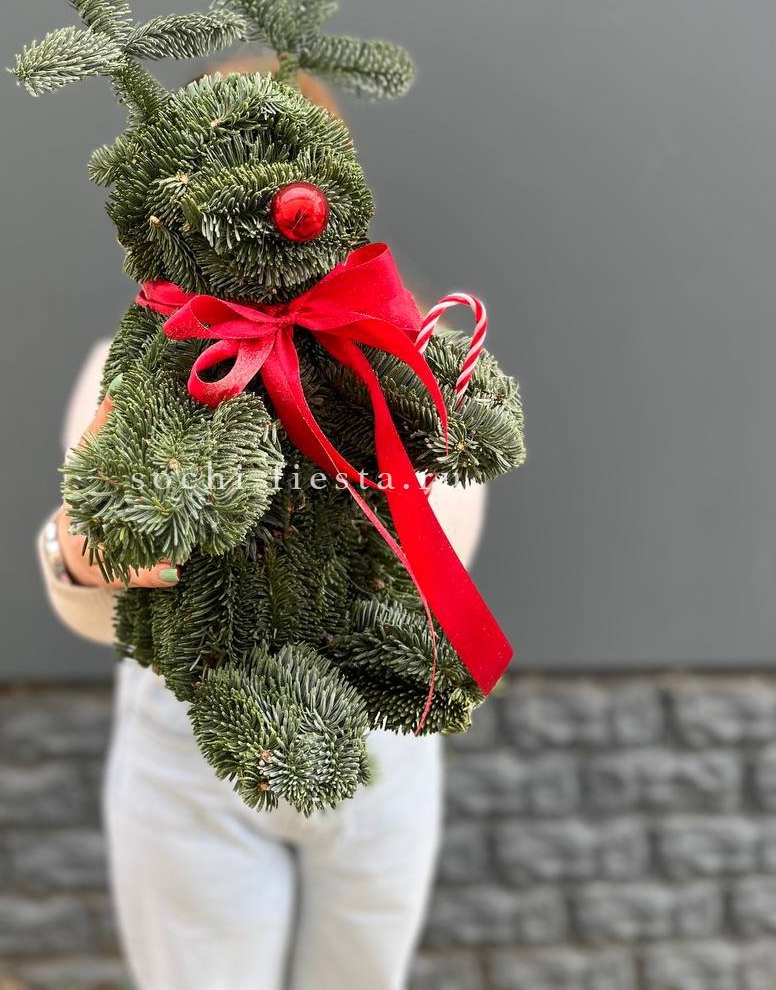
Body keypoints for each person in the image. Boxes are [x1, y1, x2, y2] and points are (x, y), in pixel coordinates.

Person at [35, 64, 488, 990]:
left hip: (374, 738)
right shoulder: (134, 373)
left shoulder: (409, 362)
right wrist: (77, 559)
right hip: (188, 744)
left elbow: (439, 566)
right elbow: (99, 603)